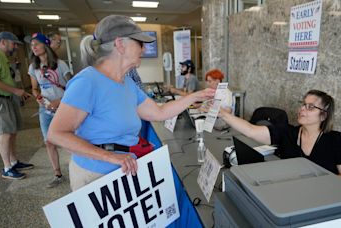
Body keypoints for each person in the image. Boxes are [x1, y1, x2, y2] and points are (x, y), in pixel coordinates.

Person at [47, 15, 215, 191]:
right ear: (120, 44)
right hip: (95, 176)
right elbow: (56, 134)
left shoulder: (127, 83)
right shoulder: (87, 81)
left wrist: (196, 96)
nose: (143, 49)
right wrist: (110, 157)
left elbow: (159, 112)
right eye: (140, 43)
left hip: (124, 171)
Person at [220, 90, 341, 184]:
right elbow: (251, 130)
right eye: (303, 104)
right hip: (291, 191)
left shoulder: (336, 140)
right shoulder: (287, 132)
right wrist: (223, 114)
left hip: (325, 195)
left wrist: (316, 182)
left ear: (323, 115)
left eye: (311, 107)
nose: (302, 109)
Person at [28, 32, 71, 188]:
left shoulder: (60, 64)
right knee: (49, 142)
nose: (33, 48)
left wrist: (58, 101)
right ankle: (58, 174)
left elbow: (73, 87)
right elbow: (34, 88)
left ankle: (77, 168)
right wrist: (38, 97)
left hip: (63, 108)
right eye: (32, 45)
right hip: (45, 110)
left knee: (70, 141)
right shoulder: (33, 67)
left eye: (36, 44)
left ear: (45, 45)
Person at [0, 31, 33, 180]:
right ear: (3, 42)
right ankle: (7, 168)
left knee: (12, 131)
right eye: (13, 44)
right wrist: (15, 90)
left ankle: (13, 161)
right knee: (5, 133)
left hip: (8, 98)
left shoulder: (3, 57)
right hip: (0, 99)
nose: (15, 47)